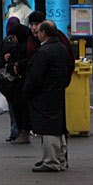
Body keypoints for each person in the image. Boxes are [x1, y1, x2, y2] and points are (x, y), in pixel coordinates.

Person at [23, 21, 71, 172]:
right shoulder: (62, 48)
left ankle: (50, 160)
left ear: (44, 33)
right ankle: (60, 158)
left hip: (44, 94)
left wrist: (27, 91)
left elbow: (35, 77)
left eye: (39, 31)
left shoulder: (44, 52)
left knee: (47, 127)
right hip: (57, 91)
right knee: (58, 126)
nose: (36, 33)